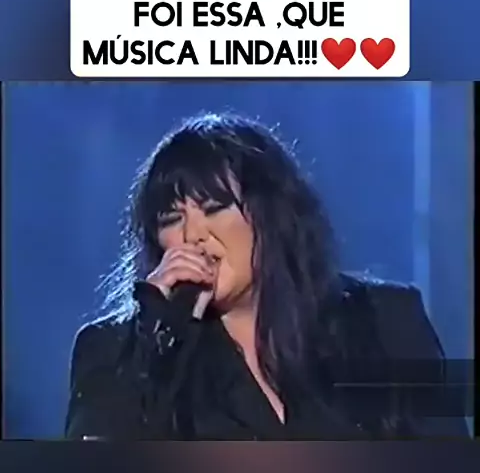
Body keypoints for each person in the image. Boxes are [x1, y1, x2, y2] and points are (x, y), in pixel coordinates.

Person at [65, 113, 468, 440]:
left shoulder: (387, 320)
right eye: (171, 218)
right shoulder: (116, 350)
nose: (192, 235)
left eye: (214, 208)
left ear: (270, 214)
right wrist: (157, 337)